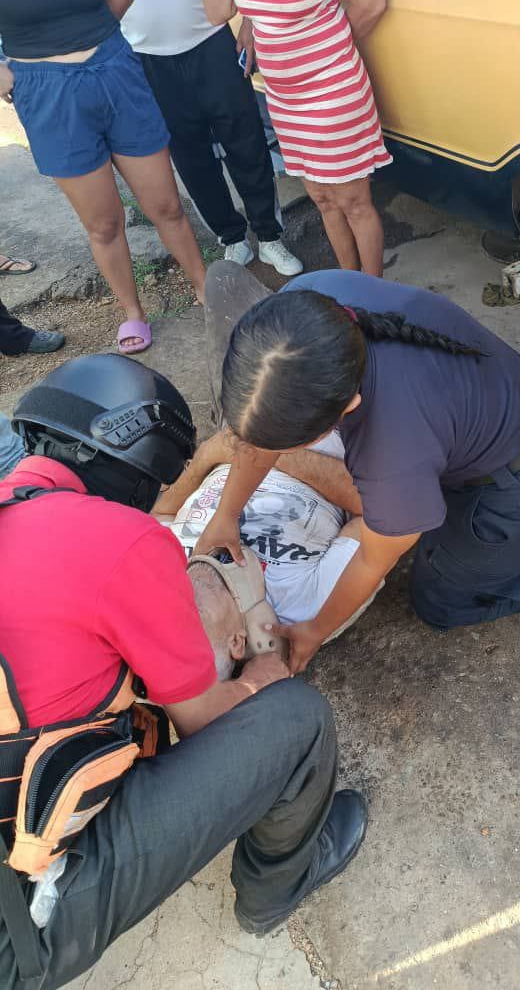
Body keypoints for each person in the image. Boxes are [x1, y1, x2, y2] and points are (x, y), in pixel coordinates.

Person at [0, 353, 367, 989]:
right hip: (18, 933)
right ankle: (276, 891)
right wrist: (256, 680)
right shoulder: (121, 537)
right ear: (142, 474)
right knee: (297, 719)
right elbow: (200, 719)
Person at [195, 266, 520, 674]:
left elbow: (375, 556)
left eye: (292, 442)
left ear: (348, 407)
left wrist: (313, 630)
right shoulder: (305, 309)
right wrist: (226, 516)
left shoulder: (390, 444)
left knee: (440, 602)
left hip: (517, 480)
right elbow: (259, 430)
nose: (268, 448)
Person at [0, 0, 207, 354]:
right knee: (103, 224)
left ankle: (206, 290)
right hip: (45, 90)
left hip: (114, 68)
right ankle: (133, 313)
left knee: (167, 206)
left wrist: (94, 31)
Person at [121, 0, 303, 276]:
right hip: (149, 59)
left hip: (212, 41)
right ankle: (232, 238)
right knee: (191, 158)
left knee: (246, 142)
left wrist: (250, 21)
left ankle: (269, 237)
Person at [210, 0, 391, 276]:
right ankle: (351, 287)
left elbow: (372, 3)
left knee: (354, 204)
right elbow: (218, 11)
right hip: (284, 99)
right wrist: (250, 21)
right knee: (324, 200)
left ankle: (374, 300)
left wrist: (326, 52)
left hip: (331, 84)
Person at [155, 426, 378, 656]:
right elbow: (379, 515)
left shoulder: (162, 568)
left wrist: (210, 452)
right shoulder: (303, 611)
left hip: (243, 425)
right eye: (194, 615)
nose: (179, 601)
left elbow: (162, 511)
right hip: (335, 427)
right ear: (236, 643)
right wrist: (260, 453)